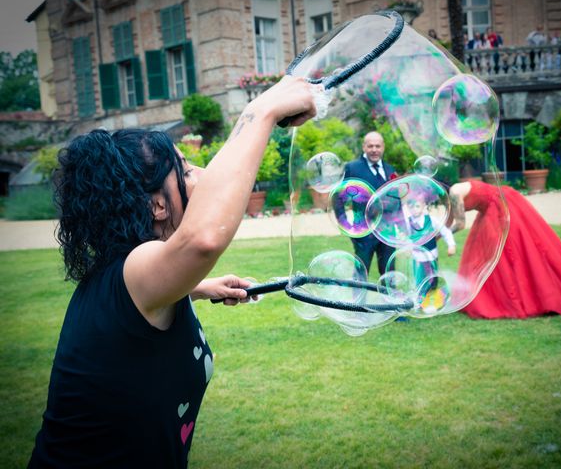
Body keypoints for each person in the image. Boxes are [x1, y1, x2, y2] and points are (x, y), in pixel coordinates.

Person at [27, 77, 316, 467]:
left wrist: (197, 287)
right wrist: (260, 111)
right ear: (158, 206)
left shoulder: (134, 280)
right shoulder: (136, 271)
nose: (202, 174)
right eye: (186, 169)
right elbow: (201, 240)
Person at [448, 180, 561, 319]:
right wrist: (436, 235)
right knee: (489, 254)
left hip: (500, 205)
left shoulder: (454, 192)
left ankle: (541, 296)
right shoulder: (451, 194)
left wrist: (444, 235)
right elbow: (447, 220)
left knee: (511, 248)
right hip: (490, 208)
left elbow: (460, 224)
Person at [342, 131, 397, 276]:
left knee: (389, 275)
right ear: (364, 147)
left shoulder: (390, 169)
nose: (374, 150)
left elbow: (396, 199)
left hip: (388, 232)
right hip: (363, 232)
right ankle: (358, 300)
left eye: (377, 146)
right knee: (360, 274)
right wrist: (347, 226)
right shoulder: (352, 168)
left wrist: (400, 225)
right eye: (370, 146)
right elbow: (338, 198)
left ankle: (389, 300)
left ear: (383, 147)